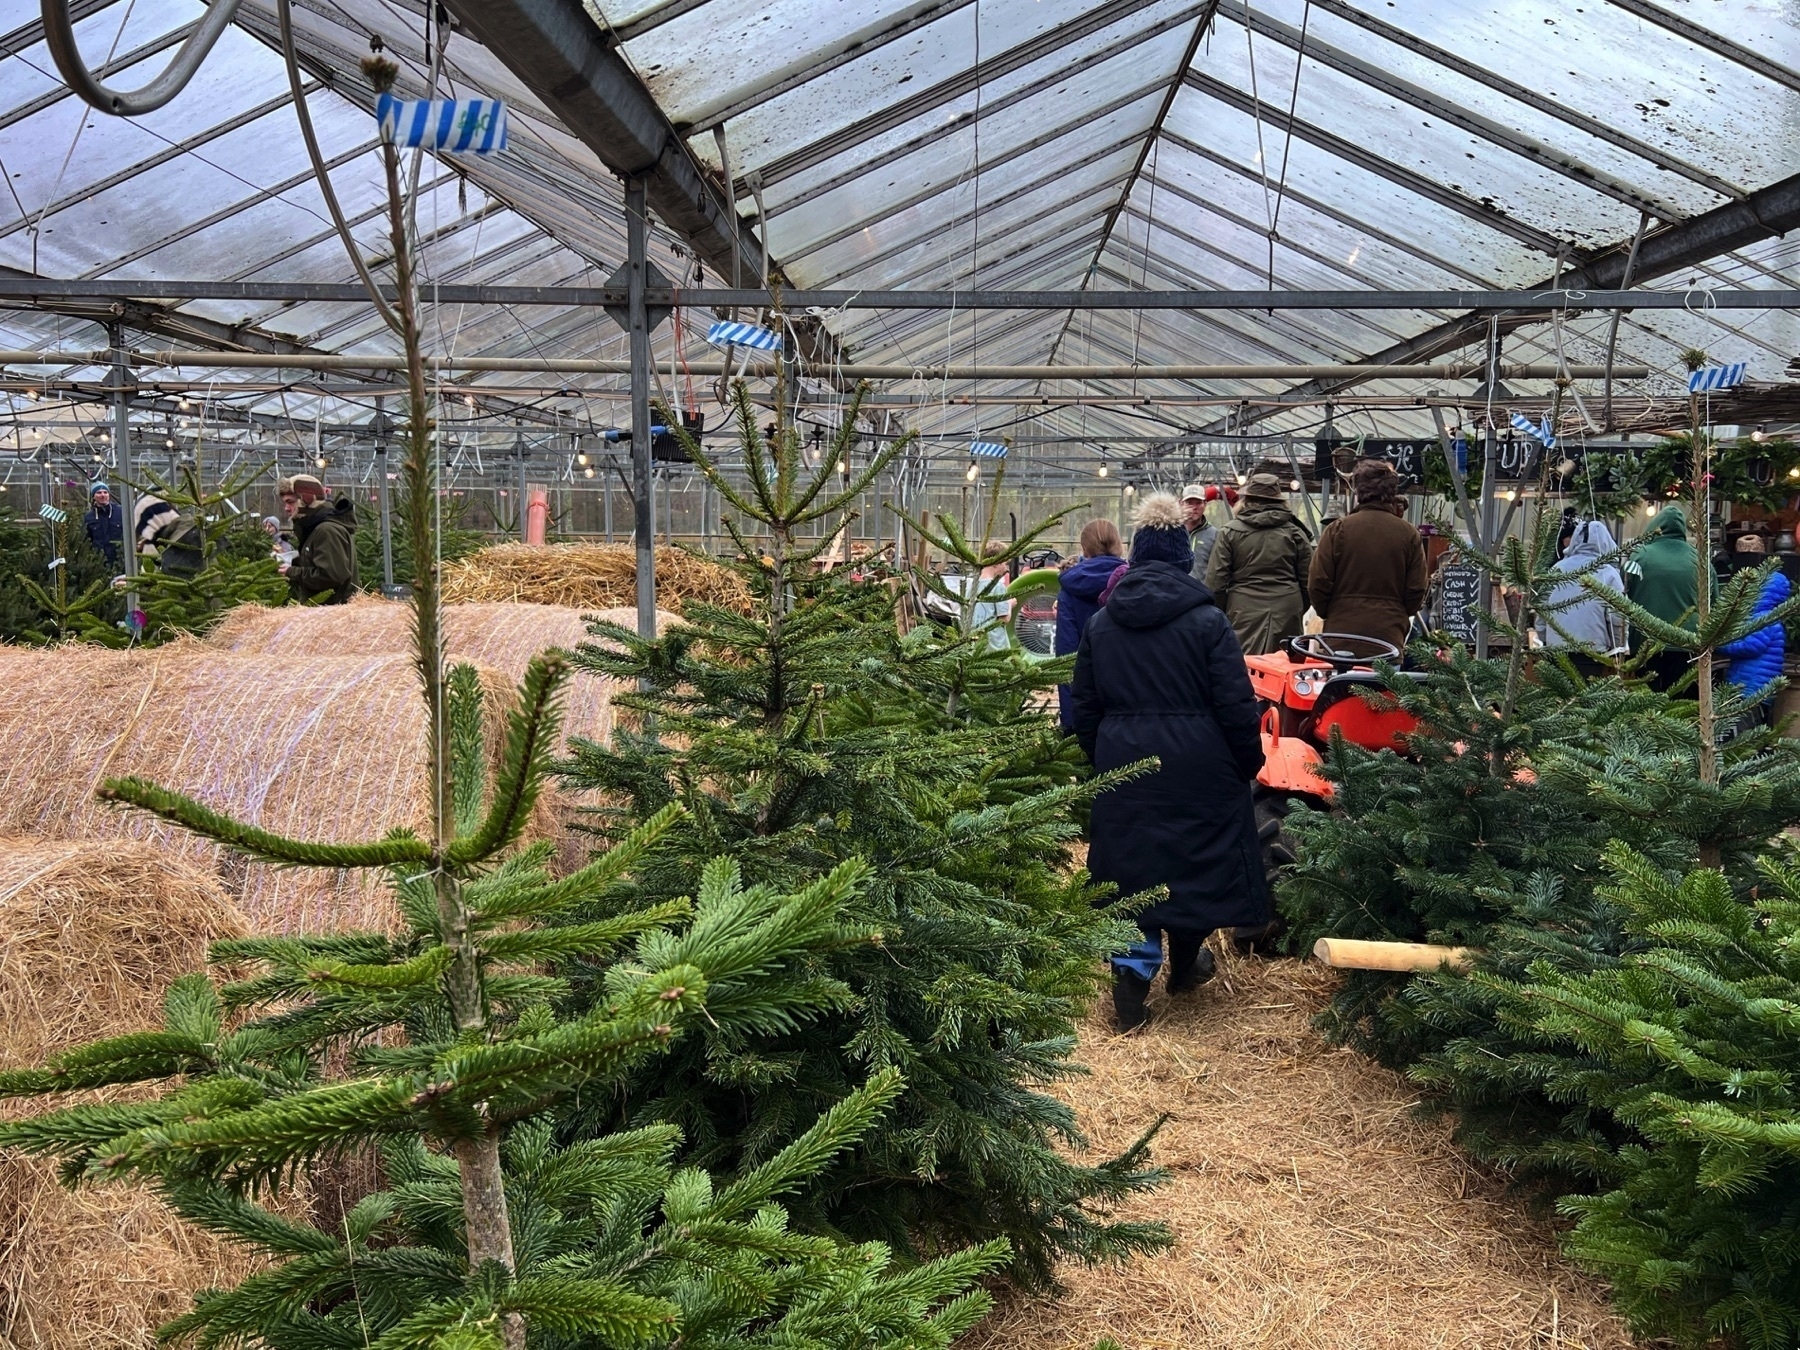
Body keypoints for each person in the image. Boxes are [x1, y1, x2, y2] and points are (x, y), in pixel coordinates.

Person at [1071, 492, 1267, 1032]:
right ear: (1185, 559)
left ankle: (1132, 981)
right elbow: (1235, 703)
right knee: (1194, 862)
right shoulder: (1208, 623)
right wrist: (1246, 763)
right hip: (1199, 767)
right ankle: (1186, 962)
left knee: (1132, 869)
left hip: (1125, 767)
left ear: (1135, 558)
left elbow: (1083, 706)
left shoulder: (1103, 625)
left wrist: (1104, 757)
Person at [1307, 459, 1426, 649]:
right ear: (1392, 492)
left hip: (1340, 636)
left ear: (1358, 492)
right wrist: (1399, 614)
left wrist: (1330, 612)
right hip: (1388, 638)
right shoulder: (1409, 534)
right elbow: (1416, 589)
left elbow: (1318, 582)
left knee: (1342, 680)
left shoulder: (1337, 530)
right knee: (1384, 680)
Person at [1205, 472, 1312, 656]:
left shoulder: (1229, 532)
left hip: (1242, 609)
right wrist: (1297, 606)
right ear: (1280, 501)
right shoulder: (1295, 533)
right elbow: (1309, 580)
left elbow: (1216, 583)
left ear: (1245, 499)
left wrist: (1225, 612)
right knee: (1284, 664)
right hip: (1287, 608)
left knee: (1243, 666)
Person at [1055, 519, 1127, 729]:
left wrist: (1070, 723)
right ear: (1118, 544)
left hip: (1087, 689)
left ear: (1084, 549)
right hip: (1127, 692)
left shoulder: (1070, 588)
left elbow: (1066, 654)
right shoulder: (1132, 580)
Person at [1624, 504, 1702, 693]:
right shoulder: (1699, 559)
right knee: (1682, 705)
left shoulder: (1639, 557)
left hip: (1645, 644)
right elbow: (1714, 602)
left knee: (1645, 704)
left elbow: (1622, 595)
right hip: (1688, 644)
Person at [1536, 519, 1627, 680]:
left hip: (1556, 650)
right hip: (1592, 653)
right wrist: (1617, 648)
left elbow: (1541, 610)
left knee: (1559, 702)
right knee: (1586, 700)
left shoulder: (1556, 570)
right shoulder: (1608, 573)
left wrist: (1544, 639)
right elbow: (1617, 617)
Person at [1718, 534, 1790, 724]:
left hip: (1751, 688)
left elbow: (1749, 646)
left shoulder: (1762, 619)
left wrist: (1718, 644)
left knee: (1746, 728)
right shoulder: (1769, 615)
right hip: (1754, 685)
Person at [288, 473, 358, 604]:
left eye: (290, 502)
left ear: (307, 499)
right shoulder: (314, 528)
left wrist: (292, 572)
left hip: (333, 615)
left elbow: (330, 575)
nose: (286, 508)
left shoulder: (326, 530)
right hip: (325, 613)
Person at [1180, 483, 1219, 580]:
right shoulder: (1170, 532)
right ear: (1181, 504)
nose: (1194, 507)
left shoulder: (1214, 535)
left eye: (1198, 502)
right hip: (1174, 591)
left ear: (1205, 504)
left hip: (1202, 591)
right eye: (1189, 503)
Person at [82, 482, 124, 568]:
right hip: (99, 563)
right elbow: (86, 541)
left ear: (109, 495)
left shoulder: (120, 513)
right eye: (99, 492)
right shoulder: (89, 517)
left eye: (105, 492)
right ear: (93, 496)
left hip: (120, 561)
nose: (103, 495)